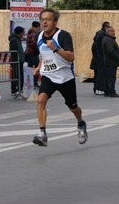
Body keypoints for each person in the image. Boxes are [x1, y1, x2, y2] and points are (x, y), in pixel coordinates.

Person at [32, 8, 88, 146]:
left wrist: (56, 48)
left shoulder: (63, 36)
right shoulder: (38, 36)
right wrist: (39, 66)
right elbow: (43, 54)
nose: (44, 22)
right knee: (40, 100)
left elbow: (71, 57)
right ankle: (42, 133)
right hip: (49, 76)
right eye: (42, 19)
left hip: (65, 77)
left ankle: (81, 124)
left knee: (73, 107)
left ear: (55, 21)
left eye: (48, 19)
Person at [102, 27, 119, 97]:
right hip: (111, 62)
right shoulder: (109, 40)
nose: (114, 33)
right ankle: (111, 91)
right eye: (112, 31)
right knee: (111, 77)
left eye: (114, 31)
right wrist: (117, 57)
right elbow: (110, 51)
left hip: (108, 61)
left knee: (108, 77)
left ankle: (107, 91)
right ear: (108, 32)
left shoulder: (108, 39)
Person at [94, 21, 111, 96]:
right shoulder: (103, 34)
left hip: (99, 57)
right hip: (102, 57)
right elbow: (104, 46)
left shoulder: (99, 34)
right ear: (105, 27)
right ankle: (101, 89)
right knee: (102, 74)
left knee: (99, 73)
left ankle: (98, 89)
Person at [9, 26, 25, 95]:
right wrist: (17, 58)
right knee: (16, 75)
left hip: (19, 60)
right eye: (23, 32)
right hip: (16, 60)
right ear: (20, 32)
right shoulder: (14, 40)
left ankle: (19, 88)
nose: (24, 33)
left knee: (19, 74)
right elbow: (13, 50)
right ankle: (14, 89)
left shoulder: (18, 39)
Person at [25, 21, 41, 88]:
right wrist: (38, 49)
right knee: (37, 68)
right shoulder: (34, 34)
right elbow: (34, 44)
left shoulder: (30, 32)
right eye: (39, 26)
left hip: (29, 52)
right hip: (33, 53)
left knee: (30, 68)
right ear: (37, 27)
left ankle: (29, 83)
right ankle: (34, 83)